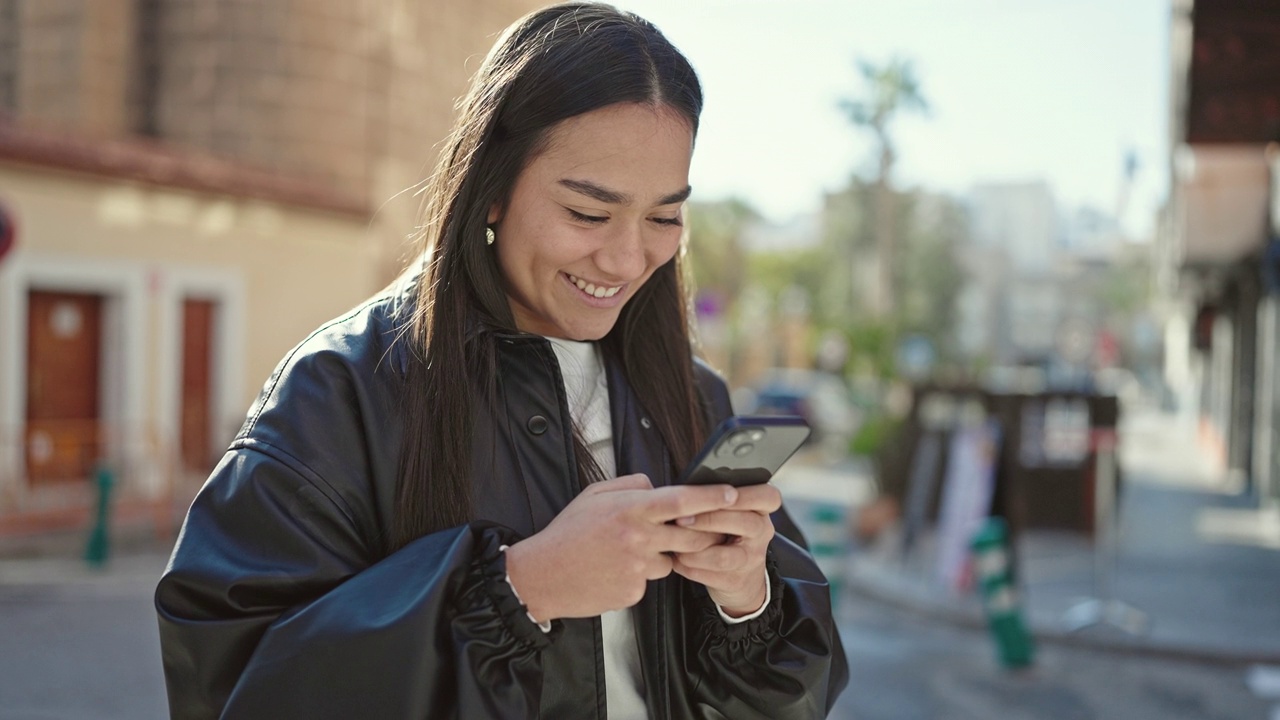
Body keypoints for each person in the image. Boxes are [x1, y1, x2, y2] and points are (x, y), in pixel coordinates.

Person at [155, 3, 849, 718]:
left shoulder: (692, 396)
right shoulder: (342, 388)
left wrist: (746, 598)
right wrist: (518, 588)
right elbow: (233, 688)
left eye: (664, 217)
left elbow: (798, 692)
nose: (626, 257)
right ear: (491, 189)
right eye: (587, 213)